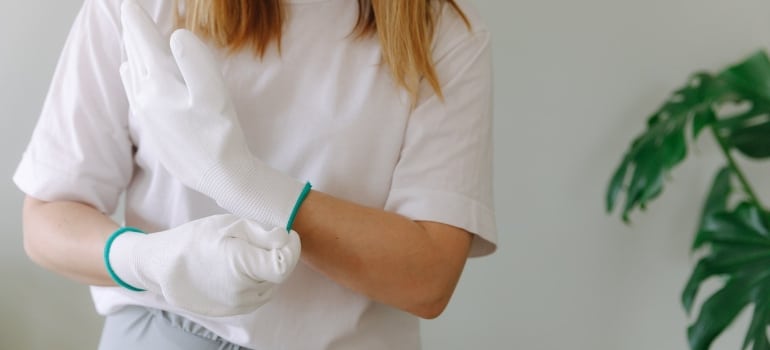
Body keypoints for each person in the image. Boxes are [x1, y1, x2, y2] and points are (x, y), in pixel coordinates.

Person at [14, 0, 496, 348]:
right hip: (161, 333)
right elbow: (48, 217)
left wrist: (239, 179)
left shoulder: (443, 29)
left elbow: (428, 277)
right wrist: (148, 259)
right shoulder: (144, 7)